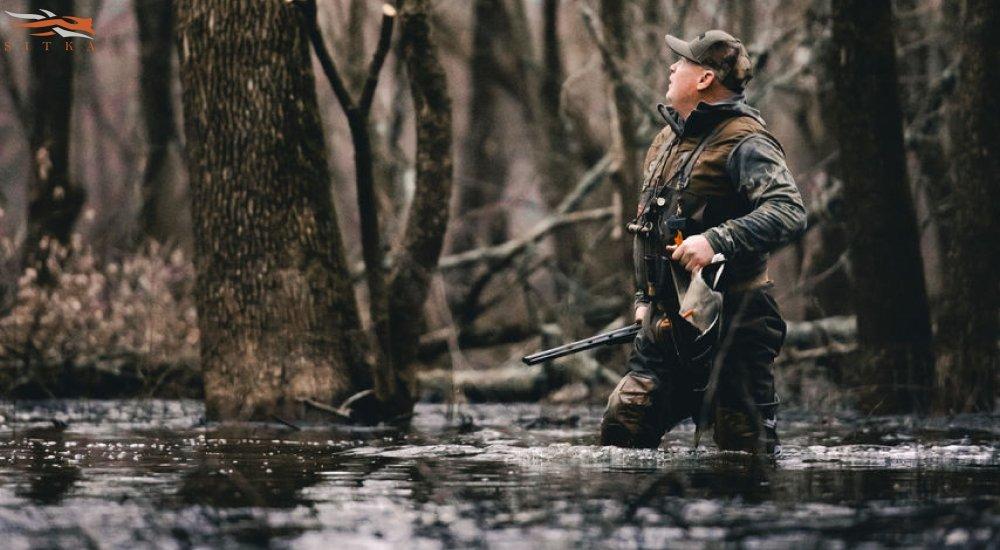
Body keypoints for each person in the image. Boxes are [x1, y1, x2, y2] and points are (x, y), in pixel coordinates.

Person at [599, 30, 808, 455]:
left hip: (736, 323)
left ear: (705, 78)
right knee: (622, 433)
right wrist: (645, 296)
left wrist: (716, 241)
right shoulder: (665, 141)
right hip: (665, 326)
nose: (672, 67)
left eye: (682, 62)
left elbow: (789, 211)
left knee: (738, 458)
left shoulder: (746, 140)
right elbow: (651, 227)